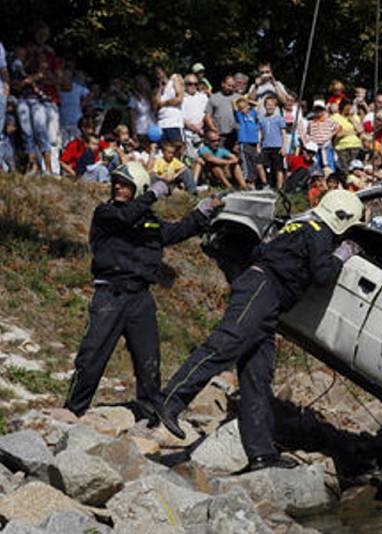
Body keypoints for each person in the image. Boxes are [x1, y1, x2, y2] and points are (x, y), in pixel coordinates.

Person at [152, 190, 364, 473]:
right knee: (223, 346)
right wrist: (343, 254)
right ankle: (170, 399)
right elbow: (323, 276)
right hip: (263, 290)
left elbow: (262, 250)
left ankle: (261, 454)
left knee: (257, 378)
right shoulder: (319, 233)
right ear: (342, 219)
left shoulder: (300, 225)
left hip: (266, 296)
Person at [64, 162, 220, 417]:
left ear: (136, 188)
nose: (118, 188)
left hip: (140, 297)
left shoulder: (148, 222)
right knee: (92, 357)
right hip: (110, 294)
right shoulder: (107, 213)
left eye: (125, 185)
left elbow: (174, 232)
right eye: (117, 183)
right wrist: (154, 194)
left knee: (148, 359)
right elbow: (127, 216)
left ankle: (149, 415)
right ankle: (72, 412)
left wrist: (201, 214)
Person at [258, 96, 287, 189]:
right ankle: (265, 183)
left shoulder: (279, 119)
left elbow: (283, 134)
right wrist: (258, 145)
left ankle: (279, 187)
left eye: (272, 105)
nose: (269, 107)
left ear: (275, 107)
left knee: (278, 168)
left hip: (277, 146)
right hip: (266, 146)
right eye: (267, 105)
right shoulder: (262, 119)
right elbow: (260, 133)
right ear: (264, 106)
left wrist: (283, 147)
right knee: (263, 165)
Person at [204, 76, 239, 151]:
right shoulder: (214, 97)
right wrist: (213, 128)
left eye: (233, 86)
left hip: (234, 135)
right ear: (223, 84)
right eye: (229, 85)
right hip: (220, 134)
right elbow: (207, 116)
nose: (230, 88)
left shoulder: (238, 97)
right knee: (220, 155)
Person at [233, 96, 260, 186]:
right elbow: (233, 102)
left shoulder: (253, 113)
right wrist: (241, 104)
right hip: (244, 142)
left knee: (254, 161)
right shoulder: (240, 116)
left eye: (245, 107)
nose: (243, 109)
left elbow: (258, 105)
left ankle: (253, 181)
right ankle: (246, 181)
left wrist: (247, 101)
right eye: (241, 108)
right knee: (246, 161)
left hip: (253, 142)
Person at [153, 66, 184, 144]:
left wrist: (164, 103)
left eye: (159, 73)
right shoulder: (157, 89)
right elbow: (155, 106)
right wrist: (160, 87)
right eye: (156, 74)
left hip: (173, 123)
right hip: (161, 125)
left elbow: (179, 99)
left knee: (177, 148)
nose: (158, 76)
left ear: (164, 72)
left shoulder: (173, 81)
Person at [331, 100, 363, 173]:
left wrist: (352, 119)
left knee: (356, 170)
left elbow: (360, 130)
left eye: (350, 107)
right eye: (347, 107)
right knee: (345, 170)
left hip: (356, 146)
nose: (349, 109)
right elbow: (338, 134)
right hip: (342, 147)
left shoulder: (354, 117)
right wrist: (353, 132)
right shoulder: (335, 117)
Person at [181, 73, 208, 159]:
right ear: (185, 84)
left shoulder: (203, 97)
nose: (193, 86)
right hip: (186, 135)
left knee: (205, 160)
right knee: (191, 160)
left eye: (196, 84)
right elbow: (178, 116)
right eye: (190, 84)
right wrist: (192, 126)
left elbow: (207, 113)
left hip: (202, 134)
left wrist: (200, 126)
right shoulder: (180, 98)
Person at [128, 74, 156, 148]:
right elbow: (132, 117)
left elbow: (155, 111)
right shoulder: (134, 99)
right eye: (140, 84)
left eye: (144, 83)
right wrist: (134, 133)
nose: (142, 86)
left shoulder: (151, 97)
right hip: (140, 129)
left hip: (152, 129)